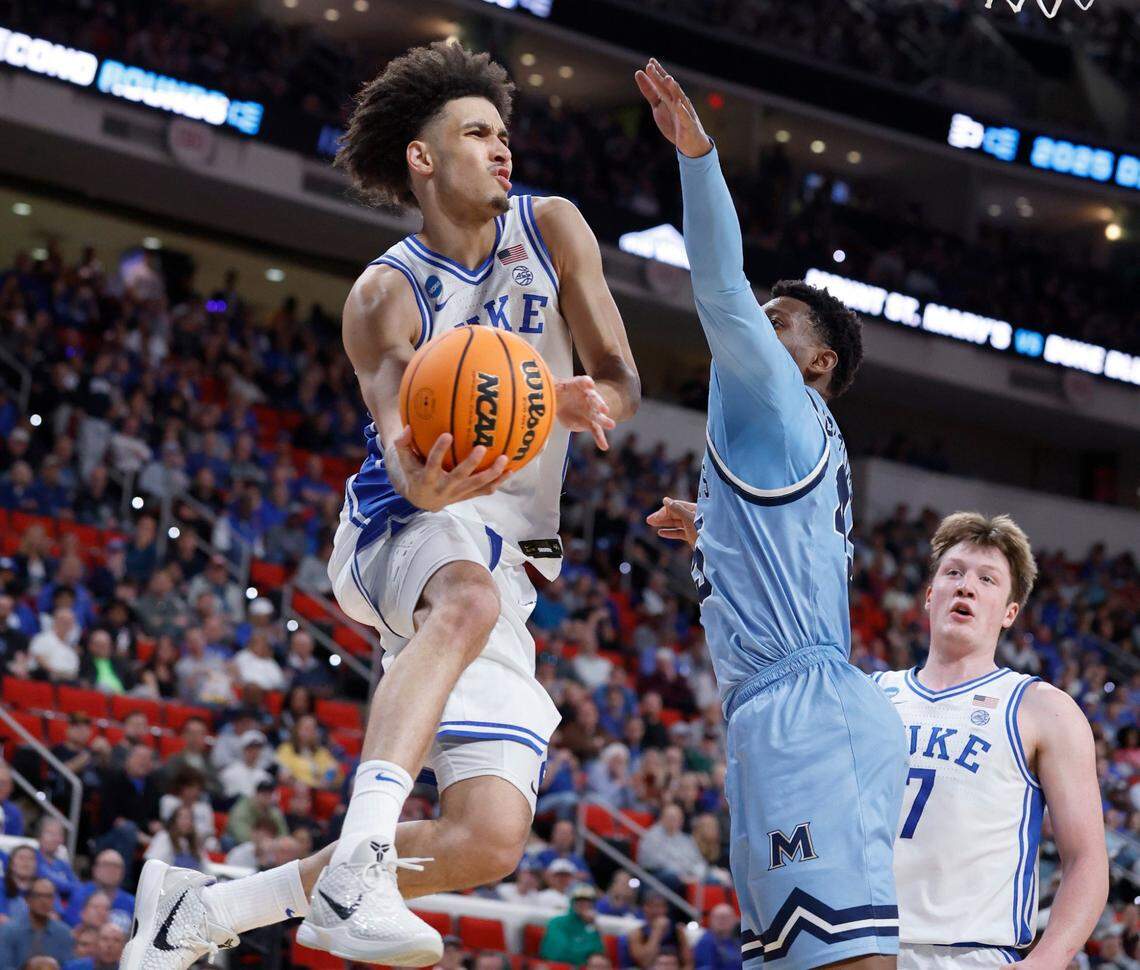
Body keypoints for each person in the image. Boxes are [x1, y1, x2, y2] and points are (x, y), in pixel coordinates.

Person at [124, 40, 639, 970]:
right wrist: (436, 476)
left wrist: (579, 399)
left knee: (487, 838)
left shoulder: (554, 227)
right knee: (466, 596)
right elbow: (407, 461)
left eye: (504, 132)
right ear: (423, 155)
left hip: (514, 556)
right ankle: (360, 857)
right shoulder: (383, 295)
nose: (501, 147)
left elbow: (620, 377)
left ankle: (205, 910)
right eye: (477, 131)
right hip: (397, 525)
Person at [639, 59, 905, 969]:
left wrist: (698, 157)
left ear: (819, 361)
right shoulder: (787, 430)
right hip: (780, 712)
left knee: (843, 958)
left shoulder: (781, 402)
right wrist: (714, 527)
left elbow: (715, 281)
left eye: (780, 318)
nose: (758, 319)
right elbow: (791, 552)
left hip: (806, 714)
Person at [872, 514, 1107, 968]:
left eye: (987, 579)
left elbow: (1086, 861)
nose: (966, 587)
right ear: (929, 595)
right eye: (953, 572)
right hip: (860, 947)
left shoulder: (1042, 709)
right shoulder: (869, 695)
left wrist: (1047, 959)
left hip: (971, 953)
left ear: (1009, 613)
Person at [0, 878, 73, 967]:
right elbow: (4, 966)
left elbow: (69, 966)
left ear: (54, 900)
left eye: (49, 896)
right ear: (28, 900)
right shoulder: (8, 931)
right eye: (38, 895)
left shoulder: (64, 933)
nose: (44, 901)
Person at [62, 851, 134, 932]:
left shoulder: (132, 902)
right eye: (106, 865)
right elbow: (70, 929)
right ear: (94, 869)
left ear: (123, 872)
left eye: (116, 866)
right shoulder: (79, 895)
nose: (111, 870)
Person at [540, 884, 606, 965]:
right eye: (579, 900)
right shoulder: (557, 922)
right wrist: (586, 955)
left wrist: (595, 925)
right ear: (572, 902)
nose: (583, 904)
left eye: (588, 901)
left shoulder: (592, 926)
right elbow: (559, 952)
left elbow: (599, 950)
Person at [275, 715, 344, 791]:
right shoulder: (286, 749)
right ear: (297, 729)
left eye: (313, 729)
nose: (309, 732)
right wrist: (296, 783)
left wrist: (328, 777)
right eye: (306, 728)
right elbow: (283, 775)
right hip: (295, 791)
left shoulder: (322, 752)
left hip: (318, 791)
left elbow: (337, 774)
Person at [693, 904, 742, 970]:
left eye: (726, 917)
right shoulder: (706, 942)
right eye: (717, 917)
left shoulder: (738, 940)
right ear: (710, 920)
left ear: (735, 919)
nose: (721, 920)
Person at [0, 844, 37, 922]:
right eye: (21, 858)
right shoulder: (1, 884)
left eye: (30, 859)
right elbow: (1, 917)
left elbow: (54, 916)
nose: (26, 862)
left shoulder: (45, 886)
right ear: (11, 864)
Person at [0, 761, 24, 836]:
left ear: (11, 788)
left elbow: (16, 840)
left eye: (5, 784)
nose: (1, 787)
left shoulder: (14, 813)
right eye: (0, 782)